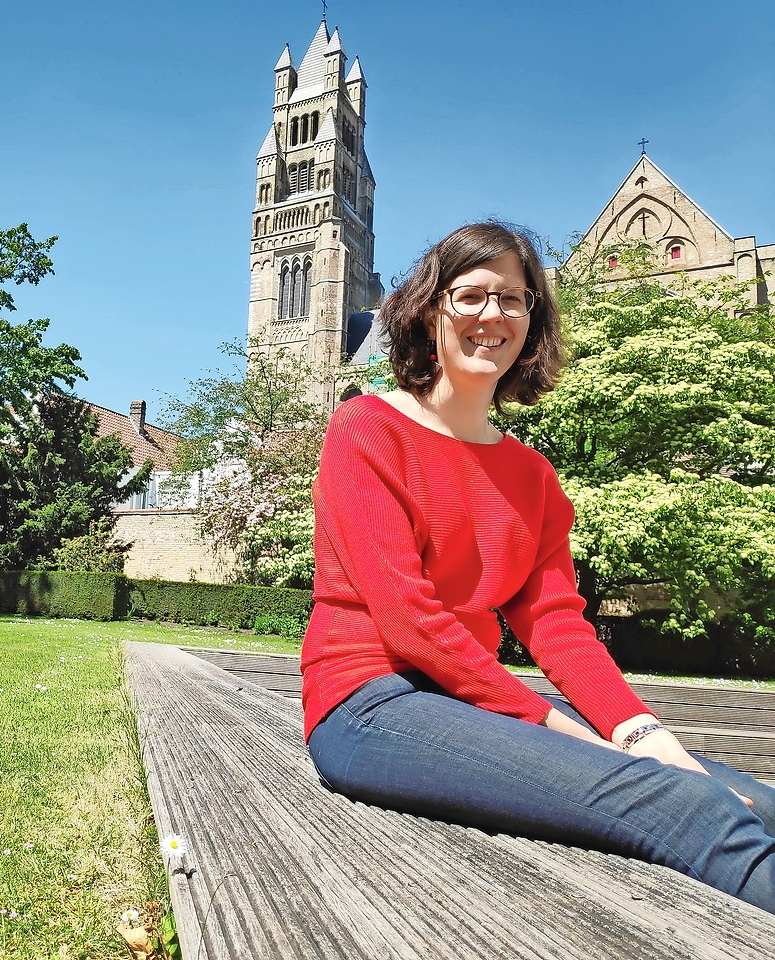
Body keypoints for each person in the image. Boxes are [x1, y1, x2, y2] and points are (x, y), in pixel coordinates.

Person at [302, 220, 775, 913]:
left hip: (469, 704)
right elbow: (412, 626)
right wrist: (580, 740)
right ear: (430, 310)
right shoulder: (366, 429)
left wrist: (645, 736)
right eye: (471, 295)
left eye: (515, 299)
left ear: (532, 321)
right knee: (688, 807)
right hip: (372, 705)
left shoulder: (534, 477)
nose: (493, 314)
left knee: (756, 799)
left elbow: (558, 626)